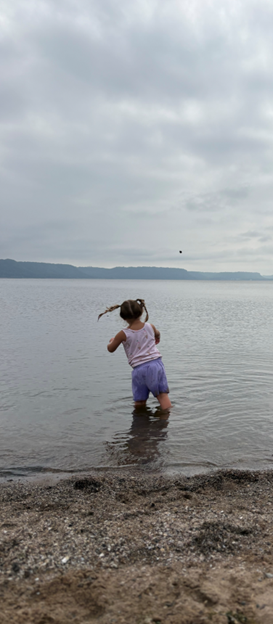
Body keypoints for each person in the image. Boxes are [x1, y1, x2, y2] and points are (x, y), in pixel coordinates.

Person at [98, 299, 172, 410]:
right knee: (162, 395)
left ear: (123, 317)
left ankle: (140, 425)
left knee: (139, 400)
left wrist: (112, 341)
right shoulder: (150, 326)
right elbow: (157, 333)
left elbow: (111, 349)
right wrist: (157, 337)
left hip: (139, 369)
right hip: (156, 364)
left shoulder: (123, 334)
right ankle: (166, 420)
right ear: (141, 312)